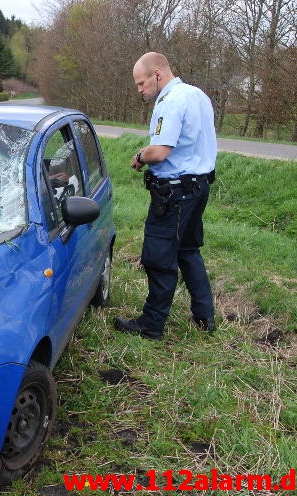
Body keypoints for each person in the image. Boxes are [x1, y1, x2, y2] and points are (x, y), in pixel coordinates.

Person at [114, 52, 217, 340]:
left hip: (174, 194)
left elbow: (159, 151)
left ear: (157, 74)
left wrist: (139, 156)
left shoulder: (169, 103)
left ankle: (151, 324)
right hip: (198, 187)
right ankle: (204, 315)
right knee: (187, 251)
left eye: (141, 83)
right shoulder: (198, 95)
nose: (140, 90)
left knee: (159, 258)